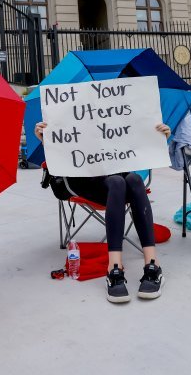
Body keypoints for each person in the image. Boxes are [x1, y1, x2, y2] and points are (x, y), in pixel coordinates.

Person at [35, 121, 170, 304]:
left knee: (134, 179)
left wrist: (157, 138)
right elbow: (63, 151)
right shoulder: (70, 108)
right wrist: (47, 140)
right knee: (117, 182)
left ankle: (153, 266)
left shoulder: (115, 104)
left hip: (117, 171)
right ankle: (114, 269)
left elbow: (135, 137)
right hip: (84, 180)